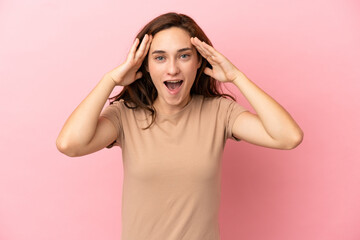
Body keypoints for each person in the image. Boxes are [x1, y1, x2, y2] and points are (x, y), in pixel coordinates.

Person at [56, 12, 303, 240]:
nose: (172, 68)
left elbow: (288, 137)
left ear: (198, 61)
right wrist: (110, 80)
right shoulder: (125, 115)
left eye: (184, 55)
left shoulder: (219, 112)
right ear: (145, 65)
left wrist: (237, 77)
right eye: (160, 57)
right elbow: (69, 144)